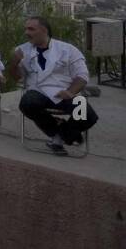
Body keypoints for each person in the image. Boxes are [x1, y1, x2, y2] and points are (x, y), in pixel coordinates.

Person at [10, 16, 98, 156]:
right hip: (38, 91)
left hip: (67, 91)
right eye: (26, 29)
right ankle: (64, 134)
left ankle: (60, 137)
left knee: (88, 114)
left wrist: (70, 92)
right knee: (27, 103)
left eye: (31, 29)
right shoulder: (22, 50)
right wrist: (14, 64)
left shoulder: (68, 50)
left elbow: (82, 76)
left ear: (44, 30)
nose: (27, 32)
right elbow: (17, 78)